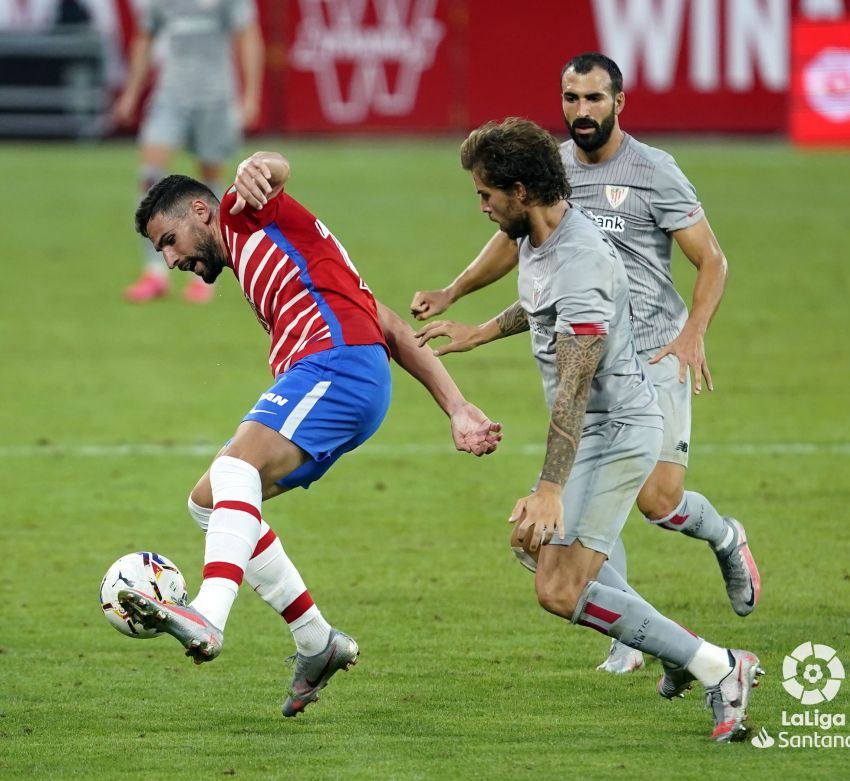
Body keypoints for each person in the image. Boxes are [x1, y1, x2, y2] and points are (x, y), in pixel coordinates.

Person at [117, 150, 503, 717]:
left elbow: (273, 169)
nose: (170, 260)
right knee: (209, 502)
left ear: (200, 210)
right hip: (344, 372)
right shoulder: (289, 258)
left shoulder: (241, 212)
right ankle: (316, 641)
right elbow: (390, 323)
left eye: (168, 241)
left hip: (338, 367)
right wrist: (457, 405)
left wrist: (259, 165)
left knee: (233, 471)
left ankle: (207, 614)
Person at [410, 52, 759, 673]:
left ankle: (721, 551)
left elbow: (713, 260)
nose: (581, 111)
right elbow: (532, 268)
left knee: (655, 501)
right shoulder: (552, 178)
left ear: (619, 102)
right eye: (571, 98)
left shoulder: (654, 172)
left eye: (594, 98)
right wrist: (462, 303)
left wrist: (693, 334)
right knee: (545, 540)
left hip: (650, 351)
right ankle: (657, 641)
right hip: (592, 359)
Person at [113, 0, 264, 304]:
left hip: (215, 97)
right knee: (150, 176)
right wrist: (131, 93)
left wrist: (250, 95)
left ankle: (205, 273)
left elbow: (248, 35)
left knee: (210, 186)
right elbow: (145, 37)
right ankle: (155, 271)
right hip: (171, 94)